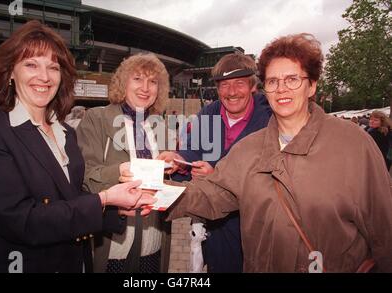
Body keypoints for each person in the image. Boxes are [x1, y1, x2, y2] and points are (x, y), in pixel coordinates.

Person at [166, 33, 392, 272]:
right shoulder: (248, 149)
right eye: (273, 81)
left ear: (312, 85)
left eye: (292, 79)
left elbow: (384, 229)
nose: (282, 88)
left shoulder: (353, 144)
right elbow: (210, 195)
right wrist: (152, 192)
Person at [0, 20, 155, 273]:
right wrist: (103, 200)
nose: (44, 77)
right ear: (10, 71)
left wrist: (114, 209)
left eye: (53, 67)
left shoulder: (66, 133)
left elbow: (69, 198)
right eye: (31, 64)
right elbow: (20, 219)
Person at [158, 53, 272, 272]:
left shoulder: (269, 115)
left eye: (239, 84)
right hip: (216, 229)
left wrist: (218, 177)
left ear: (252, 86)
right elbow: (191, 152)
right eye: (224, 85)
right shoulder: (208, 113)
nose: (231, 92)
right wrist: (178, 160)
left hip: (258, 230)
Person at [76, 53, 173, 273]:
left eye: (153, 82)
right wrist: (118, 172)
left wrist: (173, 168)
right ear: (123, 83)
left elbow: (169, 182)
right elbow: (83, 176)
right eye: (137, 79)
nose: (145, 88)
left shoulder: (161, 126)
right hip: (113, 244)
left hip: (153, 240)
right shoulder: (96, 119)